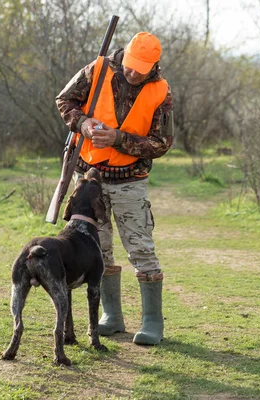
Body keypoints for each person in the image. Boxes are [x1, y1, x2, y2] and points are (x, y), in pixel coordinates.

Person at [56, 32, 174, 345]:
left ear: (154, 66)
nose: (134, 73)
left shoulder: (161, 91)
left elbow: (162, 143)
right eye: (131, 66)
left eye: (142, 69)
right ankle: (112, 316)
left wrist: (118, 139)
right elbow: (64, 100)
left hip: (130, 182)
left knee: (141, 248)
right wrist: (82, 124)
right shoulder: (96, 70)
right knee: (99, 249)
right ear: (125, 56)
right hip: (91, 177)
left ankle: (152, 322)